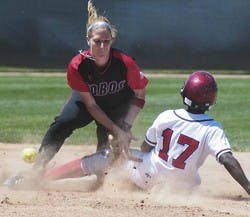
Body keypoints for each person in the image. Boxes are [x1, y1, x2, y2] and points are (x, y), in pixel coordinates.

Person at [4, 0, 148, 187]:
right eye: (97, 41)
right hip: (89, 103)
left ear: (112, 41)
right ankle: (37, 170)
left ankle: (107, 183)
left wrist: (125, 126)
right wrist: (116, 128)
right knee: (62, 123)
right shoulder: (77, 65)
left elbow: (140, 92)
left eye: (107, 41)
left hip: (117, 105)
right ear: (88, 41)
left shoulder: (125, 63)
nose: (102, 47)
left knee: (108, 150)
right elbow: (92, 105)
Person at [43, 71, 250, 195]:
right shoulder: (213, 128)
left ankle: (42, 177)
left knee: (107, 157)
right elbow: (228, 160)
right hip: (182, 187)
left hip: (148, 176)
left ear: (184, 92)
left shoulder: (167, 116)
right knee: (186, 178)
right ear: (211, 100)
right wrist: (249, 188)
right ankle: (147, 188)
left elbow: (144, 148)